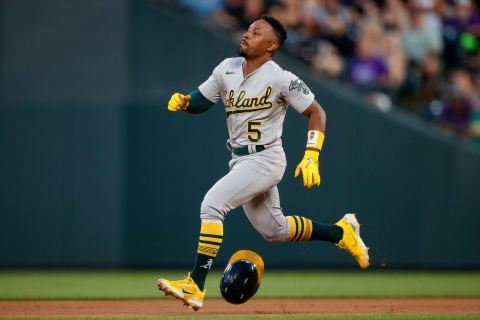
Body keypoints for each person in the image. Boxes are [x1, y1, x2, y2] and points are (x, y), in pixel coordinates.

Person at [157, 15, 370, 311]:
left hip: (265, 158)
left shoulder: (281, 77)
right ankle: (342, 232)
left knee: (212, 205)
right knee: (275, 230)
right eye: (248, 29)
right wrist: (185, 101)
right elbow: (203, 100)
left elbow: (317, 113)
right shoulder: (226, 68)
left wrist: (311, 155)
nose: (246, 35)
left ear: (271, 45)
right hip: (240, 159)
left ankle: (195, 284)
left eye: (255, 33)